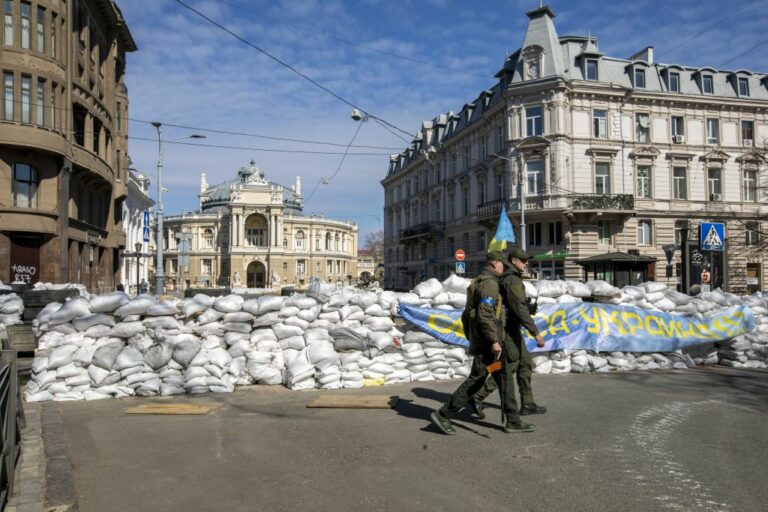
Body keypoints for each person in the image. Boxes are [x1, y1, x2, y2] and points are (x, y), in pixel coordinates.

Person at [430, 251, 534, 435]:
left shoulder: (479, 281)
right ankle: (444, 414)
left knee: (505, 378)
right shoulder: (489, 284)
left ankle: (513, 420)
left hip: (486, 340)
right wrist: (494, 341)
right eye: (503, 264)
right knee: (476, 380)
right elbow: (485, 315)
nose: (505, 267)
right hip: (488, 344)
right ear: (495, 263)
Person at [471, 247, 547, 419]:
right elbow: (518, 308)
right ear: (513, 260)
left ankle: (527, 402)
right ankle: (478, 395)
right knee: (509, 364)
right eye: (523, 260)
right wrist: (535, 332)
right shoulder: (512, 279)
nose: (527, 263)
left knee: (524, 363)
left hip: (512, 329)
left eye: (527, 260)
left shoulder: (511, 277)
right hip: (507, 330)